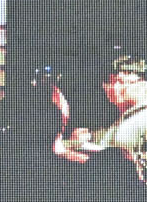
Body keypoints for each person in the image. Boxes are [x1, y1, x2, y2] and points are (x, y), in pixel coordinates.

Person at [54, 48, 147, 180]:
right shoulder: (130, 117)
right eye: (111, 82)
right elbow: (115, 140)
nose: (110, 88)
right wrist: (91, 136)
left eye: (119, 81)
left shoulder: (140, 118)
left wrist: (64, 152)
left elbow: (115, 160)